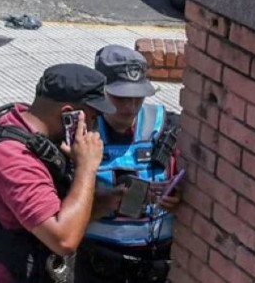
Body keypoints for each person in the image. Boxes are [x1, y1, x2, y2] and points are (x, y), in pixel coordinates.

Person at [0, 63, 109, 283]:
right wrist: (86, 168)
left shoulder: (21, 122)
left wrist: (108, 202)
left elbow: (50, 213)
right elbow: (63, 240)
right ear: (68, 115)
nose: (93, 128)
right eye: (91, 119)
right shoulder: (15, 161)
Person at [75, 46, 182, 283]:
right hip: (98, 266)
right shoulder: (78, 133)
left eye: (138, 98)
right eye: (120, 98)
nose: (129, 108)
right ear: (100, 91)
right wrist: (110, 200)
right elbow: (58, 213)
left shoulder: (169, 127)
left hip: (156, 267)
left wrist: (178, 201)